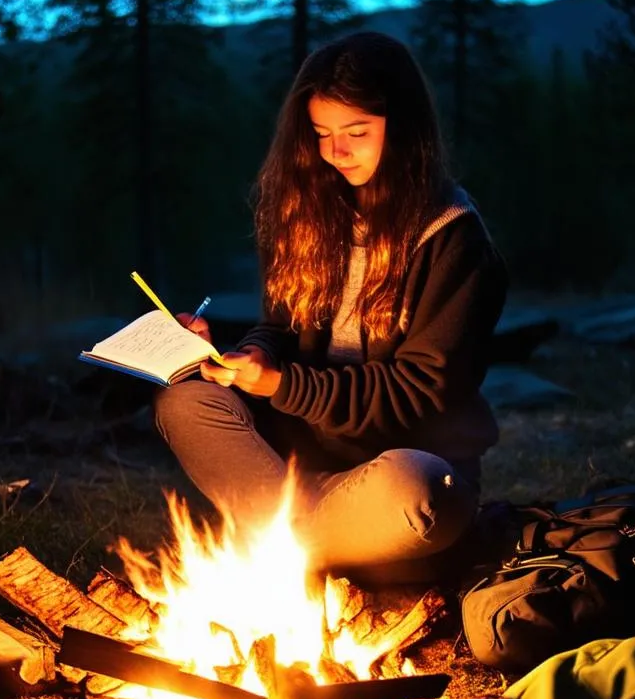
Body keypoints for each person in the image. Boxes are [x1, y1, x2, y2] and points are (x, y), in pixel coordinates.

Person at [154, 30, 508, 586]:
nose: (336, 152)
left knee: (415, 491)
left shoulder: (454, 241)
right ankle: (315, 546)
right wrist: (240, 355)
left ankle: (277, 542)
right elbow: (281, 329)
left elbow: (414, 394)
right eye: (321, 134)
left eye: (357, 132)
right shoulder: (313, 213)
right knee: (185, 403)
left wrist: (280, 385)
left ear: (405, 128)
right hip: (299, 473)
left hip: (390, 477)